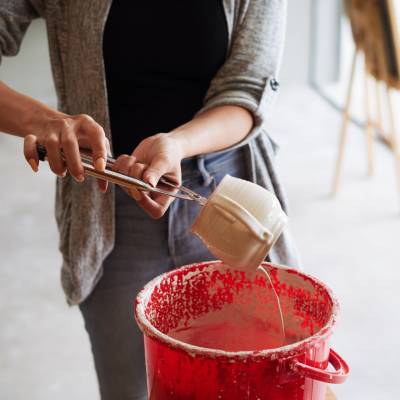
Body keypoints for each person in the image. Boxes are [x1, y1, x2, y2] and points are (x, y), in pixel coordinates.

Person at [0, 0, 299, 398]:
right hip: (107, 209)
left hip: (230, 196)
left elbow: (249, 84)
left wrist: (176, 145)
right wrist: (40, 120)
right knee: (131, 388)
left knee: (254, 383)